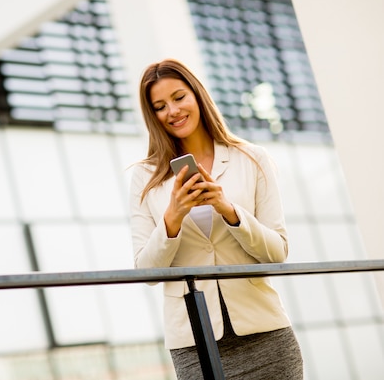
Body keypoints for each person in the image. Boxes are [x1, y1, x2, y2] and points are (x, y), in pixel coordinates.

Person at [128, 58, 303, 379]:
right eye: (159, 106)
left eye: (179, 97)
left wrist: (229, 210)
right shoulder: (144, 177)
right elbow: (146, 272)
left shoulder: (252, 158)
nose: (173, 111)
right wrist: (172, 218)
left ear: (197, 95)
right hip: (194, 343)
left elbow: (276, 252)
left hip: (265, 334)